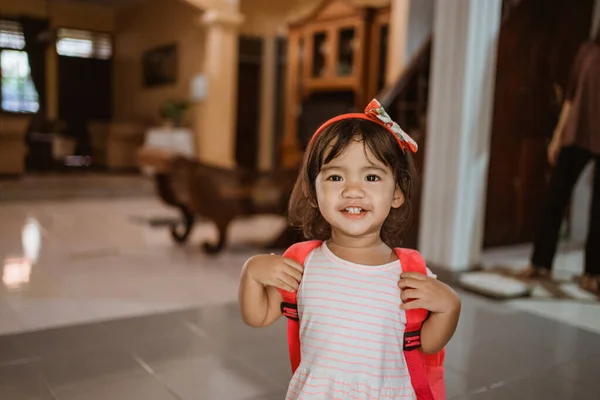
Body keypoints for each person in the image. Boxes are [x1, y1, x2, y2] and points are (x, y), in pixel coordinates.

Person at [238, 100, 461, 399]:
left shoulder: (409, 274)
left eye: (371, 177)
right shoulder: (303, 265)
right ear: (312, 192)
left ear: (396, 193)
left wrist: (449, 307)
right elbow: (258, 315)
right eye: (335, 177)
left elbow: (427, 343)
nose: (352, 190)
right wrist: (250, 273)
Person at [519, 35, 600, 294]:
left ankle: (593, 272)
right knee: (554, 197)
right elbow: (571, 96)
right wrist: (557, 135)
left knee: (599, 210)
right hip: (577, 134)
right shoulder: (587, 50)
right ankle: (540, 262)